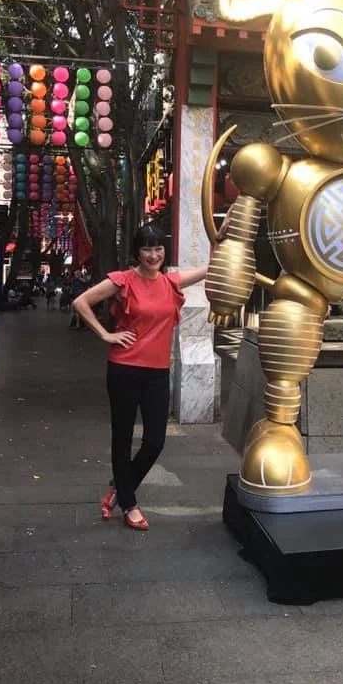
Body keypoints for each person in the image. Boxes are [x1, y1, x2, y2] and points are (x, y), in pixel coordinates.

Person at [72, 224, 207, 531]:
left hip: (158, 372)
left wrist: (226, 233)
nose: (153, 255)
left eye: (158, 248)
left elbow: (210, 268)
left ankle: (121, 489)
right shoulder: (123, 281)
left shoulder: (171, 282)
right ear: (137, 253)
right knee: (121, 438)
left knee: (155, 441)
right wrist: (107, 334)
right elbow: (80, 303)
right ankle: (130, 504)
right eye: (147, 249)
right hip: (125, 369)